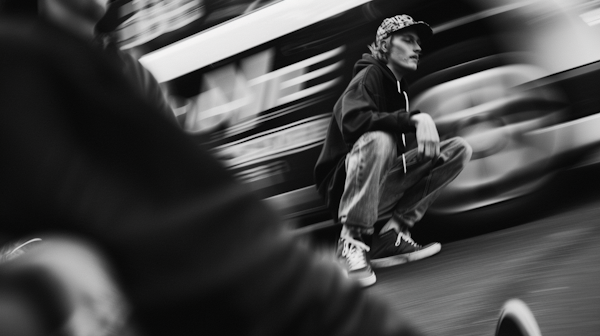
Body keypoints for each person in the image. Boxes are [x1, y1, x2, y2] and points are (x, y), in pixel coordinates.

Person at [0, 1, 427, 335]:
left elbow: (198, 204)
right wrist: (39, 260)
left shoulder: (126, 72)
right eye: (406, 40)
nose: (415, 49)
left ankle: (380, 240)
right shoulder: (23, 73)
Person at [314, 15, 473, 287]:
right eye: (408, 40)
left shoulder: (400, 89)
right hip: (346, 187)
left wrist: (421, 152)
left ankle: (391, 235)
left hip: (378, 184)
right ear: (386, 45)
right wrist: (414, 119)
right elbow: (353, 122)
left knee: (457, 149)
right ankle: (351, 242)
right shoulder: (369, 75)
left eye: (418, 43)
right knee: (379, 139)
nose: (418, 48)